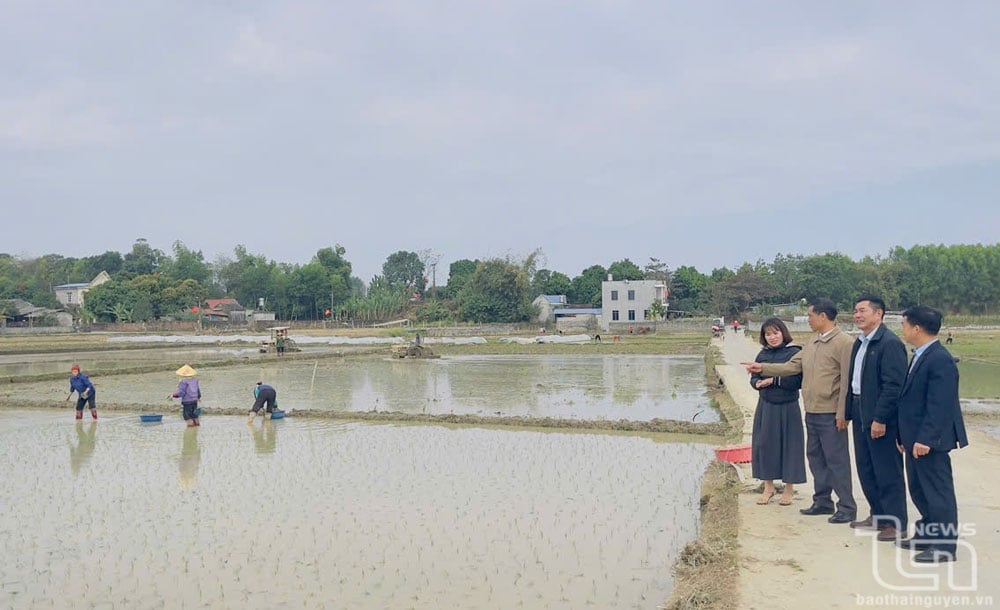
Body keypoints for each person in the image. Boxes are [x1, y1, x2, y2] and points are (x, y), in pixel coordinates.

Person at [743, 298, 857, 524]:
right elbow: (791, 367)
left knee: (836, 460)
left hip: (831, 411)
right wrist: (762, 368)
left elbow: (846, 381)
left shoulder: (844, 342)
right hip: (812, 409)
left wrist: (843, 413)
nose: (808, 319)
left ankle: (846, 506)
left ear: (822, 316)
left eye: (811, 315)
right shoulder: (812, 341)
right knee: (816, 458)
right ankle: (822, 501)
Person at [896, 305, 969, 563]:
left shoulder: (940, 359)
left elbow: (940, 405)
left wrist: (926, 438)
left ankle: (945, 547)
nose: (902, 330)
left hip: (930, 440)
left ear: (917, 328)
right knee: (919, 489)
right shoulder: (919, 354)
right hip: (913, 437)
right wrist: (903, 435)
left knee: (938, 493)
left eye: (904, 324)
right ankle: (926, 535)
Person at [845, 296, 909, 541]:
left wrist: (880, 418)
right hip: (861, 409)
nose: (857, 315)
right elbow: (854, 382)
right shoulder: (860, 343)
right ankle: (878, 515)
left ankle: (897, 522)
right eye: (855, 311)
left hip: (880, 415)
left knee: (887, 469)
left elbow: (893, 386)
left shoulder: (889, 343)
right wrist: (848, 413)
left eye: (862, 310)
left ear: (878, 314)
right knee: (866, 467)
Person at [749, 318, 806, 506]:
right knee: (765, 445)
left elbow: (796, 381)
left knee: (790, 446)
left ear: (783, 332)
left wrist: (773, 380)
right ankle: (768, 487)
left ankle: (788, 489)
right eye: (768, 334)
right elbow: (755, 376)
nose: (772, 337)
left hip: (788, 406)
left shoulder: (794, 353)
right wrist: (756, 383)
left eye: (775, 333)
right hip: (766, 406)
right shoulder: (762, 354)